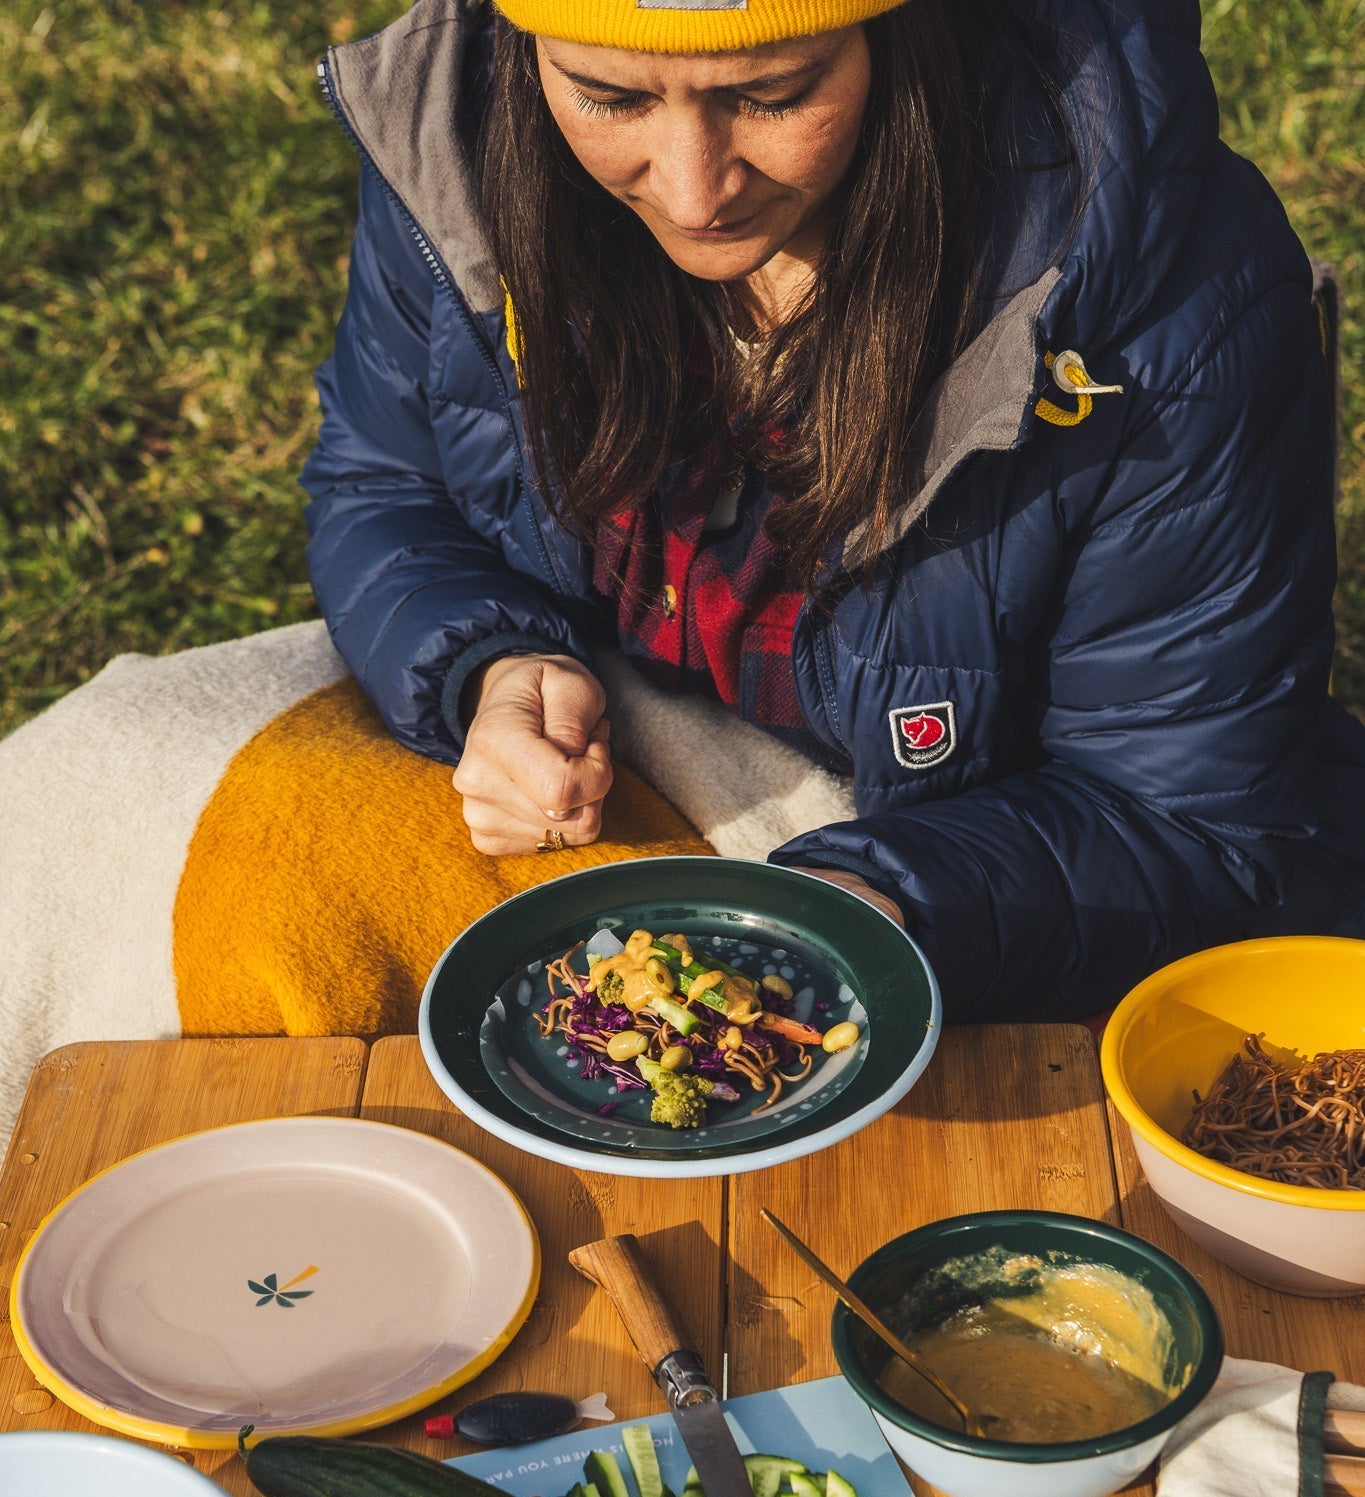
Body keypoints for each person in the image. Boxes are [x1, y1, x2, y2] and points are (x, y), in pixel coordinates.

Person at [301, 0, 1365, 1022]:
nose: (692, 188)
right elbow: (387, 481)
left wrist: (879, 902)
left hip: (1001, 871)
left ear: (904, 36)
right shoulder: (460, 149)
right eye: (609, 97)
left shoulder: (1167, 303)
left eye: (771, 94)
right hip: (643, 754)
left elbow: (1186, 819)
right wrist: (490, 664)